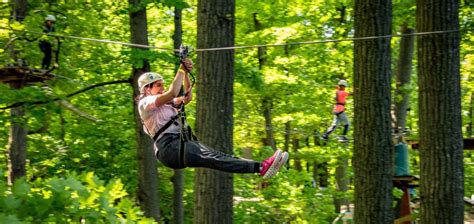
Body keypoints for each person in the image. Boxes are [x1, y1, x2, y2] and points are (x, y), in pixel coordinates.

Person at [137, 59, 288, 178]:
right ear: (147, 89)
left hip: (180, 144)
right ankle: (261, 167)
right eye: (158, 85)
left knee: (220, 156)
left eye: (163, 85)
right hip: (169, 148)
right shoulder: (145, 104)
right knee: (213, 158)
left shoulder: (167, 103)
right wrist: (181, 70)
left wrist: (186, 74)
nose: (162, 88)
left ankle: (261, 166)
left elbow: (187, 98)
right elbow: (171, 93)